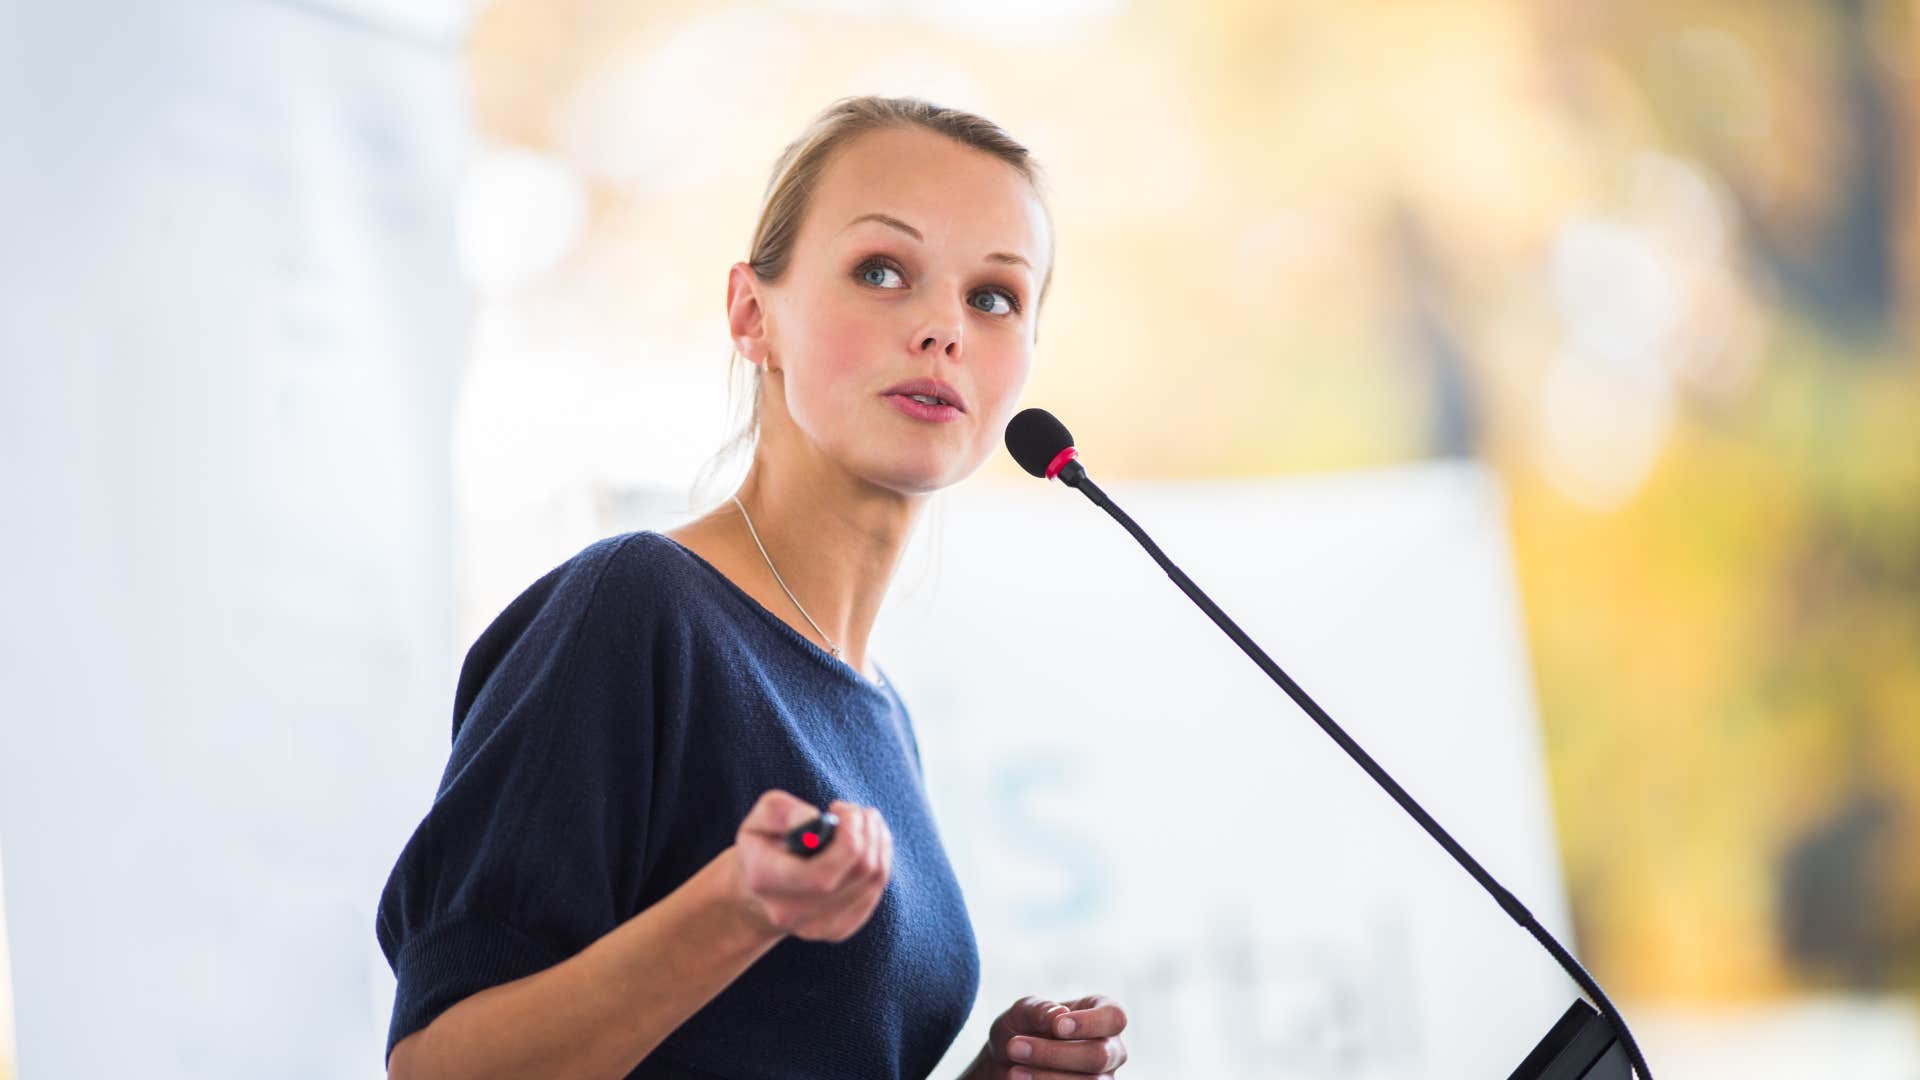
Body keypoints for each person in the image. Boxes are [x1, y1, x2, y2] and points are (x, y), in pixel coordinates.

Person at [376, 94, 1131, 1079]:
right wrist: (736, 912)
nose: (944, 326)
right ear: (750, 313)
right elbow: (441, 1068)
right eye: (882, 271)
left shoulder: (881, 713)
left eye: (994, 296)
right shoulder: (636, 609)